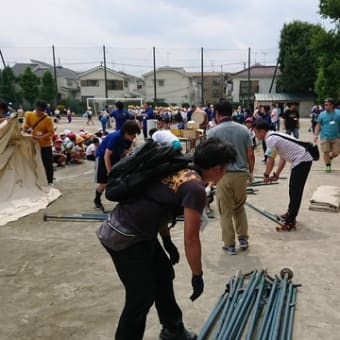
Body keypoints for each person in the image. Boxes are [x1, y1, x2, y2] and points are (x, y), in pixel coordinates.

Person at [97, 138, 237, 340]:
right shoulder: (195, 188)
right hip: (124, 237)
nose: (225, 172)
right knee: (140, 298)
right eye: (225, 168)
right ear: (216, 169)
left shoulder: (180, 167)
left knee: (163, 275)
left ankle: (173, 329)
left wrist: (167, 240)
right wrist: (197, 274)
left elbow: (159, 204)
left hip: (139, 232)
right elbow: (191, 238)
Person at [207, 101, 255, 255]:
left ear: (218, 114)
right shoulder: (244, 130)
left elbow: (211, 157)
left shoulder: (213, 132)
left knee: (225, 211)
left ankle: (229, 245)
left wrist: (210, 178)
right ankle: (243, 239)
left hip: (224, 175)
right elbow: (250, 154)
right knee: (239, 208)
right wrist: (250, 172)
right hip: (241, 175)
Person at [254, 119, 313, 231]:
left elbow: (270, 160)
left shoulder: (270, 139)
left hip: (302, 160)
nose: (255, 135)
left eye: (255, 132)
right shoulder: (274, 135)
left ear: (261, 131)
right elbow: (283, 157)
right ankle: (290, 213)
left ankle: (290, 221)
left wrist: (266, 175)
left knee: (295, 191)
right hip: (302, 159)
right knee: (293, 190)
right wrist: (276, 174)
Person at [94, 120, 141, 210]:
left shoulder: (129, 140)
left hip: (115, 156)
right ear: (127, 133)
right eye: (133, 134)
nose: (134, 137)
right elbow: (106, 155)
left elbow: (124, 153)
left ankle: (122, 200)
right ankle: (97, 200)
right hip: (102, 157)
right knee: (104, 183)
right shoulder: (115, 137)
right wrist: (110, 171)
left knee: (119, 179)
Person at [23, 100, 55, 185]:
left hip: (45, 145)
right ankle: (37, 179)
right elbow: (27, 126)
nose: (38, 112)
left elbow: (51, 132)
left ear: (44, 110)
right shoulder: (30, 115)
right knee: (35, 162)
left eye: (40, 110)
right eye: (37, 109)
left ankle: (50, 181)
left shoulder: (48, 119)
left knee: (47, 163)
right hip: (34, 144)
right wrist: (24, 131)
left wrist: (40, 137)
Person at [313, 98, 340, 173]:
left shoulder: (338, 113)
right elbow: (318, 125)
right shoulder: (322, 114)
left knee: (336, 153)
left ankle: (330, 157)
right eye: (325, 105)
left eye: (327, 105)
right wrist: (316, 135)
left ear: (332, 105)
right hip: (325, 137)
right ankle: (328, 165)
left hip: (336, 137)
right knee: (326, 152)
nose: (325, 106)